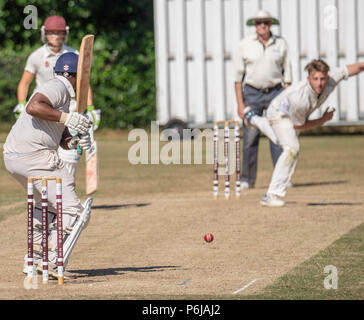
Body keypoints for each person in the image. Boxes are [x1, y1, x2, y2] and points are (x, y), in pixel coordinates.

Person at [3, 52, 93, 278]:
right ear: (74, 76)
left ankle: (33, 259)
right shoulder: (59, 86)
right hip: (33, 155)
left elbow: (61, 140)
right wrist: (67, 118)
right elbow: (33, 106)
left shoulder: (61, 94)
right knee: (74, 210)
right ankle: (52, 260)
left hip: (14, 157)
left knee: (47, 205)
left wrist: (74, 141)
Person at [261, 59, 364, 207]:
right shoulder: (299, 98)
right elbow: (299, 126)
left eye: (322, 79)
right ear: (308, 78)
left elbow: (357, 67)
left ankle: (256, 120)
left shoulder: (332, 78)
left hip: (292, 116)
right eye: (315, 79)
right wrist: (323, 119)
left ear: (327, 77)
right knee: (291, 148)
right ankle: (270, 195)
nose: (320, 83)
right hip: (278, 114)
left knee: (283, 142)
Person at [13, 15, 101, 177]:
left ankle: (65, 196)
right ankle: (49, 197)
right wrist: (21, 103)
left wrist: (90, 108)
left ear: (65, 33)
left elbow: (84, 82)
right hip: (44, 109)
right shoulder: (36, 56)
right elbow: (24, 83)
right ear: (44, 33)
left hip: (71, 107)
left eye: (59, 33)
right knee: (44, 153)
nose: (56, 37)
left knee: (70, 154)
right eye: (52, 33)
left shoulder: (73, 53)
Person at [233, 9, 292, 190]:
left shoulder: (280, 43)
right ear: (255, 26)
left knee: (278, 135)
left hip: (276, 92)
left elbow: (287, 75)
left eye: (265, 22)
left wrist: (286, 99)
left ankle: (281, 178)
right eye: (259, 23)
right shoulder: (245, 44)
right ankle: (247, 179)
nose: (262, 26)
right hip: (252, 92)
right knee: (251, 136)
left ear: (270, 24)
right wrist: (240, 103)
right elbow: (237, 78)